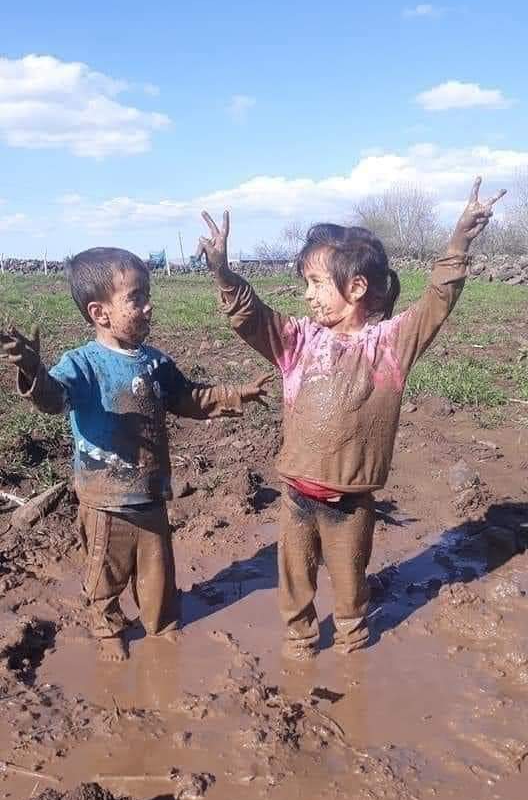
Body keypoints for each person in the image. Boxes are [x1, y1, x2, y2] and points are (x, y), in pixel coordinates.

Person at [197, 177, 506, 660]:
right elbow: (249, 316)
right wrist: (222, 273)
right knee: (294, 583)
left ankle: (352, 646)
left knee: (349, 586)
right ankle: (299, 643)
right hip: (296, 497)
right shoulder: (297, 341)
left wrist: (460, 239)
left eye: (316, 283)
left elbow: (438, 300)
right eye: (305, 284)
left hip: (352, 504)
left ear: (357, 287)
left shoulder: (391, 345)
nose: (306, 295)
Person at [0, 247, 271, 660]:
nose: (149, 306)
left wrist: (236, 395)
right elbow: (54, 400)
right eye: (137, 297)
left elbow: (189, 397)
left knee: (157, 576)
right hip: (105, 501)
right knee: (104, 576)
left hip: (151, 495)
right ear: (100, 312)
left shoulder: (155, 362)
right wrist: (33, 373)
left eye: (148, 295)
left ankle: (162, 627)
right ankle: (108, 631)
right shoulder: (83, 364)